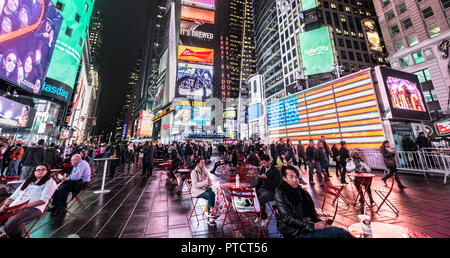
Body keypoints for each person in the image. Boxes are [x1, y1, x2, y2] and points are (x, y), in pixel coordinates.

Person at [274, 165, 352, 238]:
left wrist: (321, 223)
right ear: (284, 178)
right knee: (338, 233)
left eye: (297, 177)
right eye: (291, 177)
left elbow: (312, 213)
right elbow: (287, 218)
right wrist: (314, 226)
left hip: (307, 226)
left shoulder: (303, 193)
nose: (295, 180)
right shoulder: (280, 192)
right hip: (295, 232)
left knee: (339, 231)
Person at [0, 164, 57, 238]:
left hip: (33, 208)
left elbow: (42, 200)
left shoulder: (49, 182)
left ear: (47, 171)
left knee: (11, 224)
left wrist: (23, 206)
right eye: (38, 170)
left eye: (43, 169)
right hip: (14, 206)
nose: (40, 171)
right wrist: (5, 205)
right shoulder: (28, 181)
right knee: (8, 222)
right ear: (34, 172)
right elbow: (13, 196)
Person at [255, 155, 281, 226]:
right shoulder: (263, 169)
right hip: (263, 189)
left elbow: (276, 184)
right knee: (253, 196)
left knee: (261, 198)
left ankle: (263, 217)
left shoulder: (275, 171)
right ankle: (259, 215)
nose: (263, 165)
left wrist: (266, 178)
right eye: (262, 163)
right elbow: (260, 181)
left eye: (265, 163)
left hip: (272, 191)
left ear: (269, 161)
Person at [190, 158, 216, 226]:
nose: (203, 164)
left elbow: (209, 180)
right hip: (197, 191)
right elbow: (195, 185)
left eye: (204, 163)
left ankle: (211, 213)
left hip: (204, 188)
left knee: (213, 192)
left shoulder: (203, 170)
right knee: (210, 195)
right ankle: (210, 216)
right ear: (197, 163)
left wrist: (207, 176)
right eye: (201, 163)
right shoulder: (193, 172)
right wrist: (205, 182)